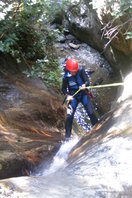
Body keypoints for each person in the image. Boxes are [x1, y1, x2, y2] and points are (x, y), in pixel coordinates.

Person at [62, 58, 98, 139]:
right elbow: (63, 89)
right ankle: (67, 137)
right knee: (69, 116)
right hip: (73, 97)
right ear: (69, 70)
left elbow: (87, 81)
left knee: (91, 112)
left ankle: (98, 129)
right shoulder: (66, 77)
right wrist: (67, 96)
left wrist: (85, 85)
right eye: (73, 71)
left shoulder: (81, 70)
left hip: (83, 94)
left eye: (75, 71)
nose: (74, 72)